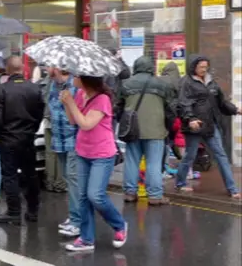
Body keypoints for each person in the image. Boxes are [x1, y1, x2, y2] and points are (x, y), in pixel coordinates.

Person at [60, 76, 127, 252]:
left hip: (102, 154)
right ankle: (86, 239)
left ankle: (120, 225)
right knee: (82, 197)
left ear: (85, 79)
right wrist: (67, 104)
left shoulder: (103, 99)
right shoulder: (81, 94)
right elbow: (73, 120)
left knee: (95, 195)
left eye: (77, 76)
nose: (73, 78)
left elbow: (87, 123)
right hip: (83, 151)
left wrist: (71, 103)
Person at [176, 55, 242, 198]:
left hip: (210, 126)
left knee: (221, 155)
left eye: (206, 67)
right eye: (201, 67)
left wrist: (235, 109)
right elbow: (183, 103)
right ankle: (180, 182)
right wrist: (190, 119)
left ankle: (233, 189)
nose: (204, 70)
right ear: (193, 66)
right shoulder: (186, 82)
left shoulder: (211, 83)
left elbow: (222, 103)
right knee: (190, 156)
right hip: (194, 127)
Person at [0, 56, 44, 224]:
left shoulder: (1, 90)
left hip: (8, 139)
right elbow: (39, 114)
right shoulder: (35, 89)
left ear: (8, 69)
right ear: (22, 69)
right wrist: (32, 129)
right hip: (27, 137)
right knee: (30, 175)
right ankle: (33, 210)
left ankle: (14, 211)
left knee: (10, 176)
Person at [117, 56, 174, 205]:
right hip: (156, 129)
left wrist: (122, 121)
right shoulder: (162, 84)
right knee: (154, 163)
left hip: (132, 129)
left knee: (131, 161)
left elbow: (118, 107)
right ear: (151, 67)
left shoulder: (125, 84)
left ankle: (130, 192)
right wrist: (167, 127)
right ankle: (155, 195)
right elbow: (170, 109)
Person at [45, 68, 81, 236]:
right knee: (68, 177)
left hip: (74, 137)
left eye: (48, 66)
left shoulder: (75, 84)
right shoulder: (53, 85)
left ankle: (77, 220)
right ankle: (74, 216)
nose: (46, 68)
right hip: (58, 137)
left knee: (73, 179)